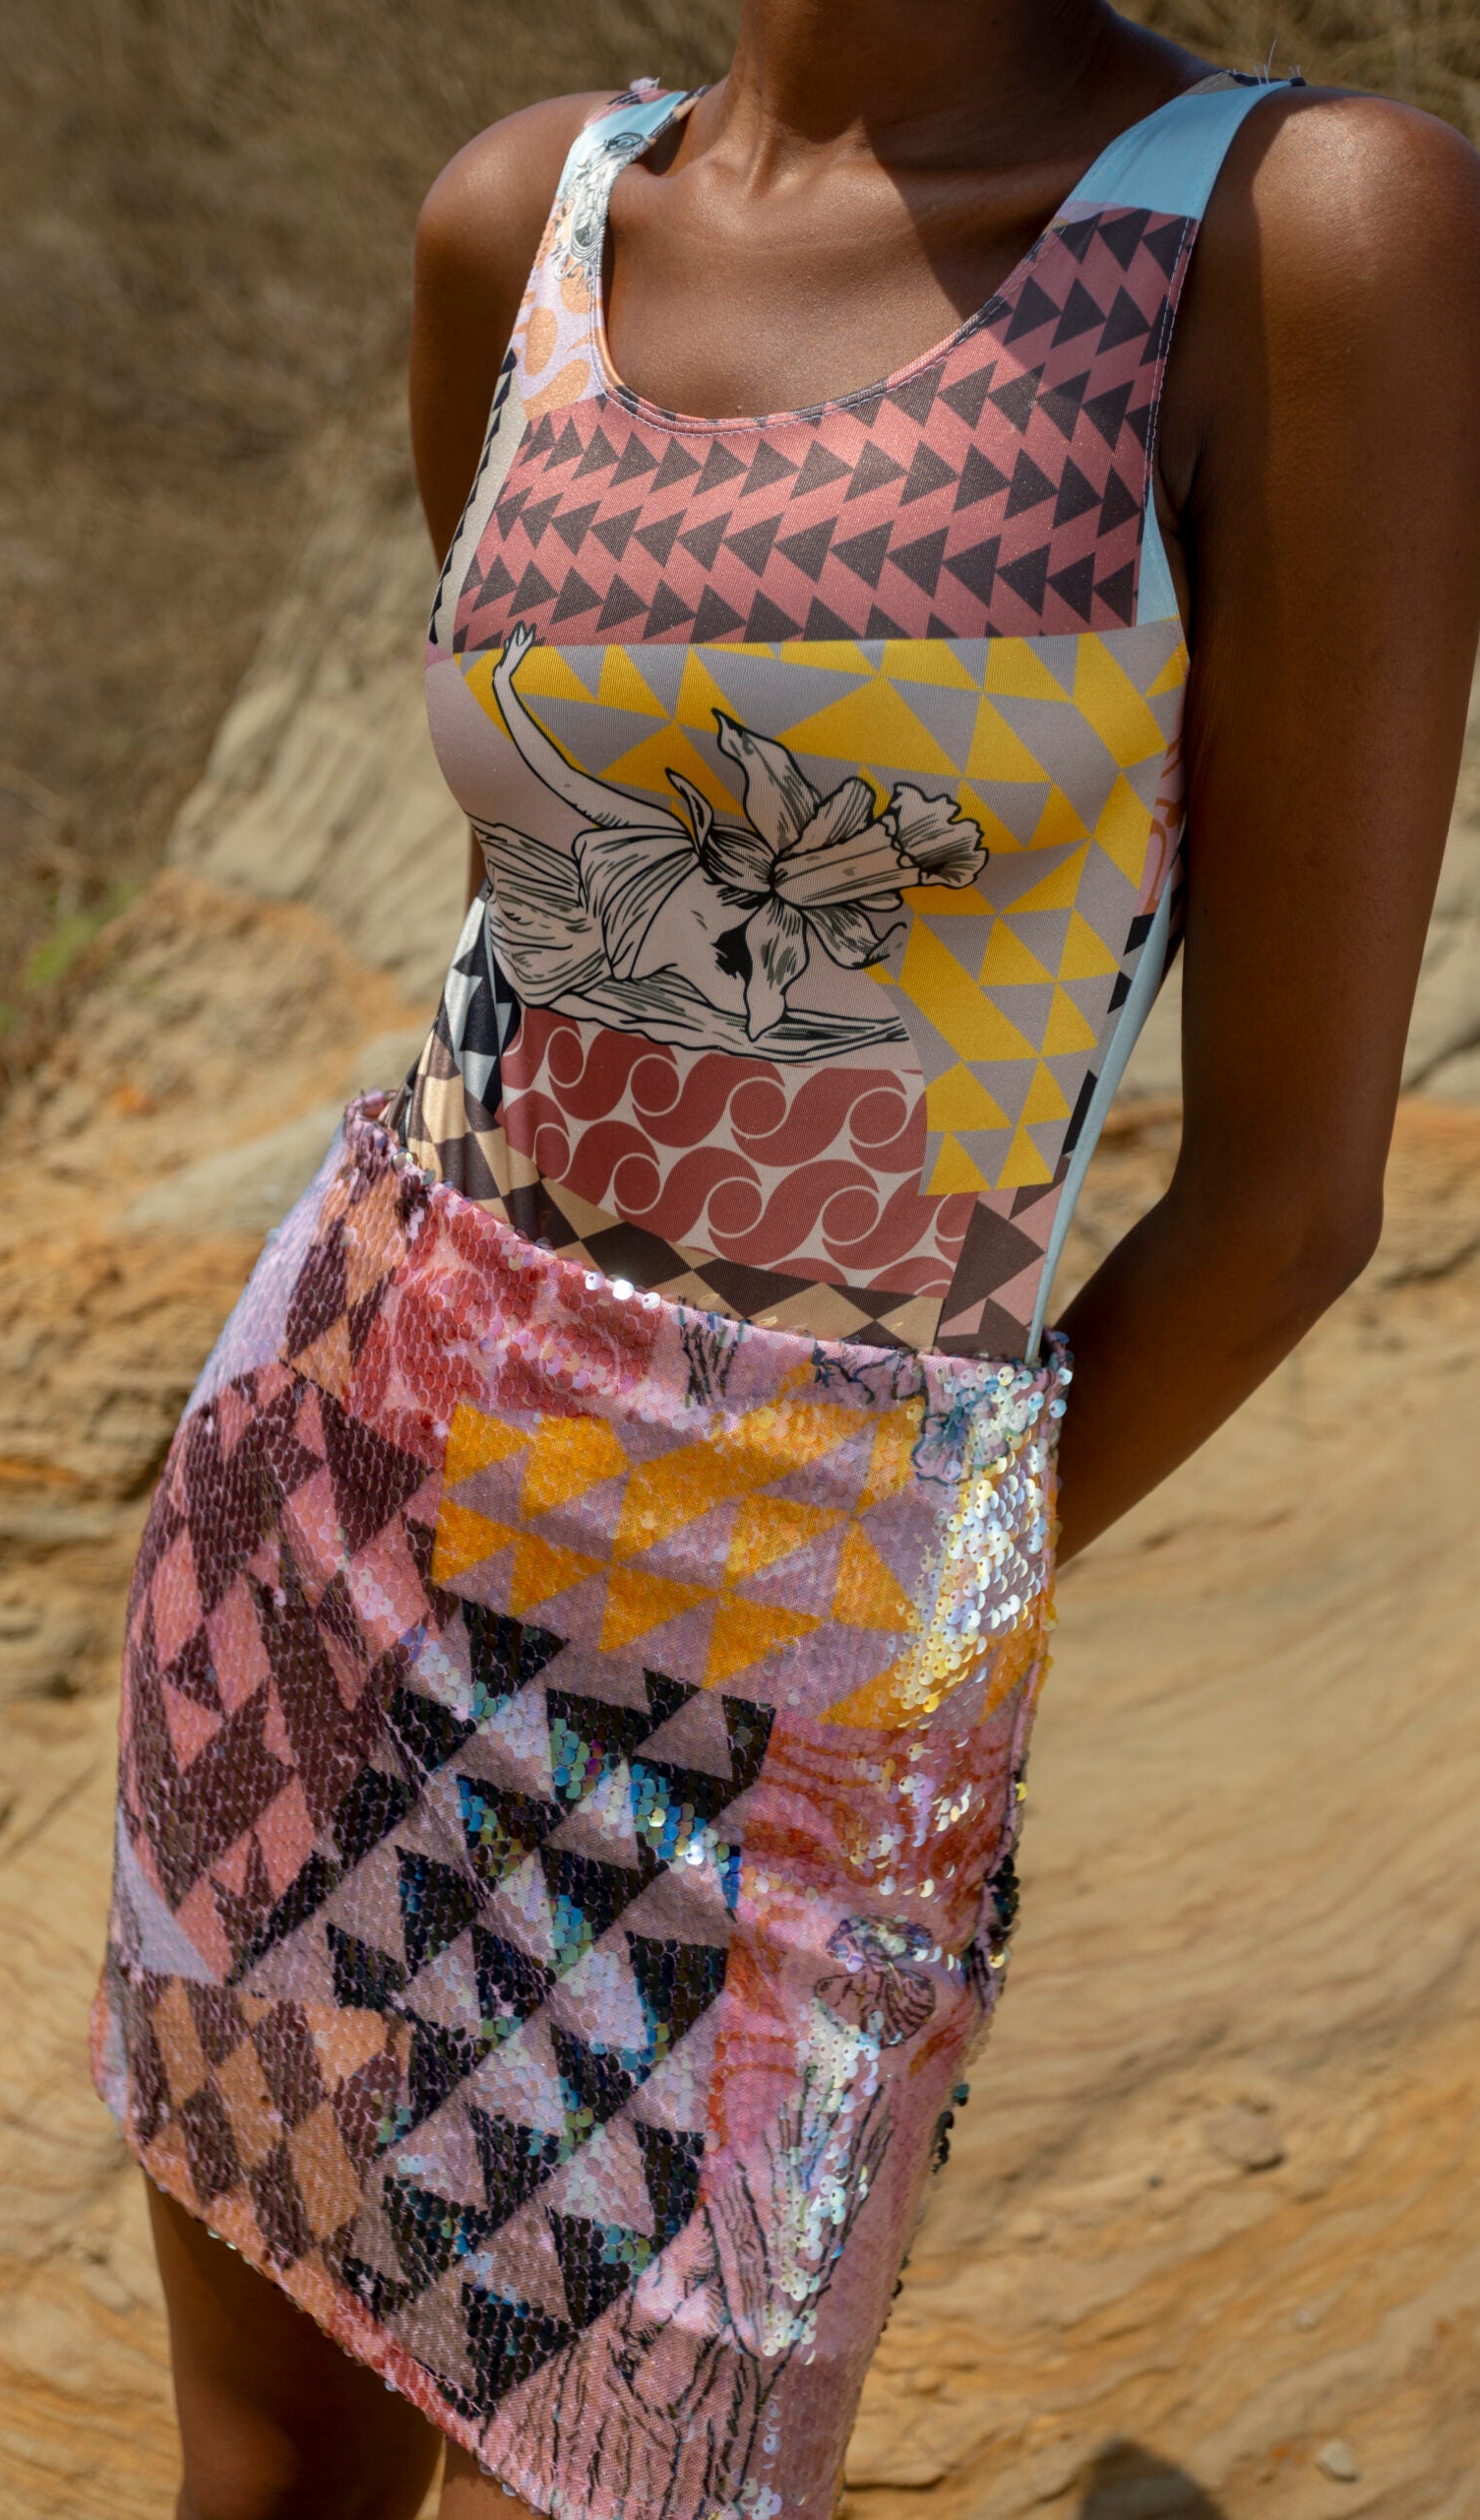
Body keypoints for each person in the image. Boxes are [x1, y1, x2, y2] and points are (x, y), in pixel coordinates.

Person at [91, 8, 1480, 2519]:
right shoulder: (523, 215)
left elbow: (1285, 1203)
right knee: (272, 2475)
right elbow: (536, 921)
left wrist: (878, 1636)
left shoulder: (1293, 238)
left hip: (808, 1676)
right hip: (337, 1524)